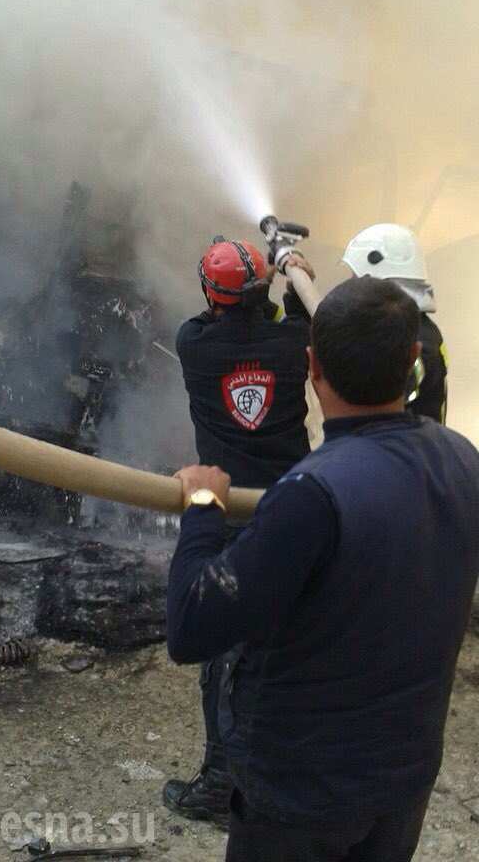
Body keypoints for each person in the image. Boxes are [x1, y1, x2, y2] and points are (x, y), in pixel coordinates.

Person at [167, 276, 479, 862]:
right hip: (402, 787)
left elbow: (191, 626)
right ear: (414, 360)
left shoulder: (312, 495)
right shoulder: (463, 459)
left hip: (301, 803)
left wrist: (203, 507)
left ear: (310, 366)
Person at [162, 236, 315, 825]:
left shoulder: (194, 345)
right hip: (292, 508)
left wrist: (265, 280)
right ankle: (272, 771)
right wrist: (291, 273)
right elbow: (302, 317)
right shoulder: (292, 342)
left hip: (227, 515)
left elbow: (229, 316)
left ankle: (222, 784)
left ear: (213, 294)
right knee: (288, 641)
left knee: (223, 651)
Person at [343, 223, 447, 422]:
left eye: (357, 276)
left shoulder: (412, 339)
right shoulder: (414, 328)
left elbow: (373, 404)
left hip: (406, 450)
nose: (352, 283)